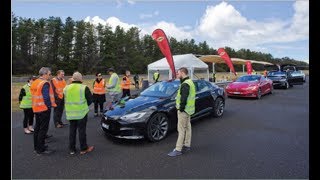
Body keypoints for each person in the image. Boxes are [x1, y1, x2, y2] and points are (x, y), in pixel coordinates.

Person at [64, 71, 94, 155]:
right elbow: (90, 100)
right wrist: (84, 105)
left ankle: (72, 149)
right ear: (81, 78)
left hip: (70, 114)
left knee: (72, 131)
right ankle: (83, 148)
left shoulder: (66, 88)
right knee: (81, 131)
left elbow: (63, 99)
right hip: (81, 113)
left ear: (73, 78)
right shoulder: (84, 87)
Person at [168, 67, 196, 157]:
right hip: (189, 110)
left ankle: (178, 149)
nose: (177, 74)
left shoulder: (185, 84)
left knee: (181, 130)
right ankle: (187, 145)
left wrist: (181, 108)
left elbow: (183, 98)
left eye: (178, 73)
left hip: (183, 110)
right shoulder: (190, 82)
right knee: (188, 128)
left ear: (183, 73)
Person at [30, 67, 57, 155]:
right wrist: (49, 106)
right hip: (43, 109)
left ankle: (36, 147)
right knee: (43, 129)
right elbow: (46, 97)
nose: (50, 76)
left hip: (36, 108)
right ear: (44, 74)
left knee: (37, 128)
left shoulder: (35, 82)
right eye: (49, 74)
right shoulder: (45, 83)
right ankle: (41, 149)